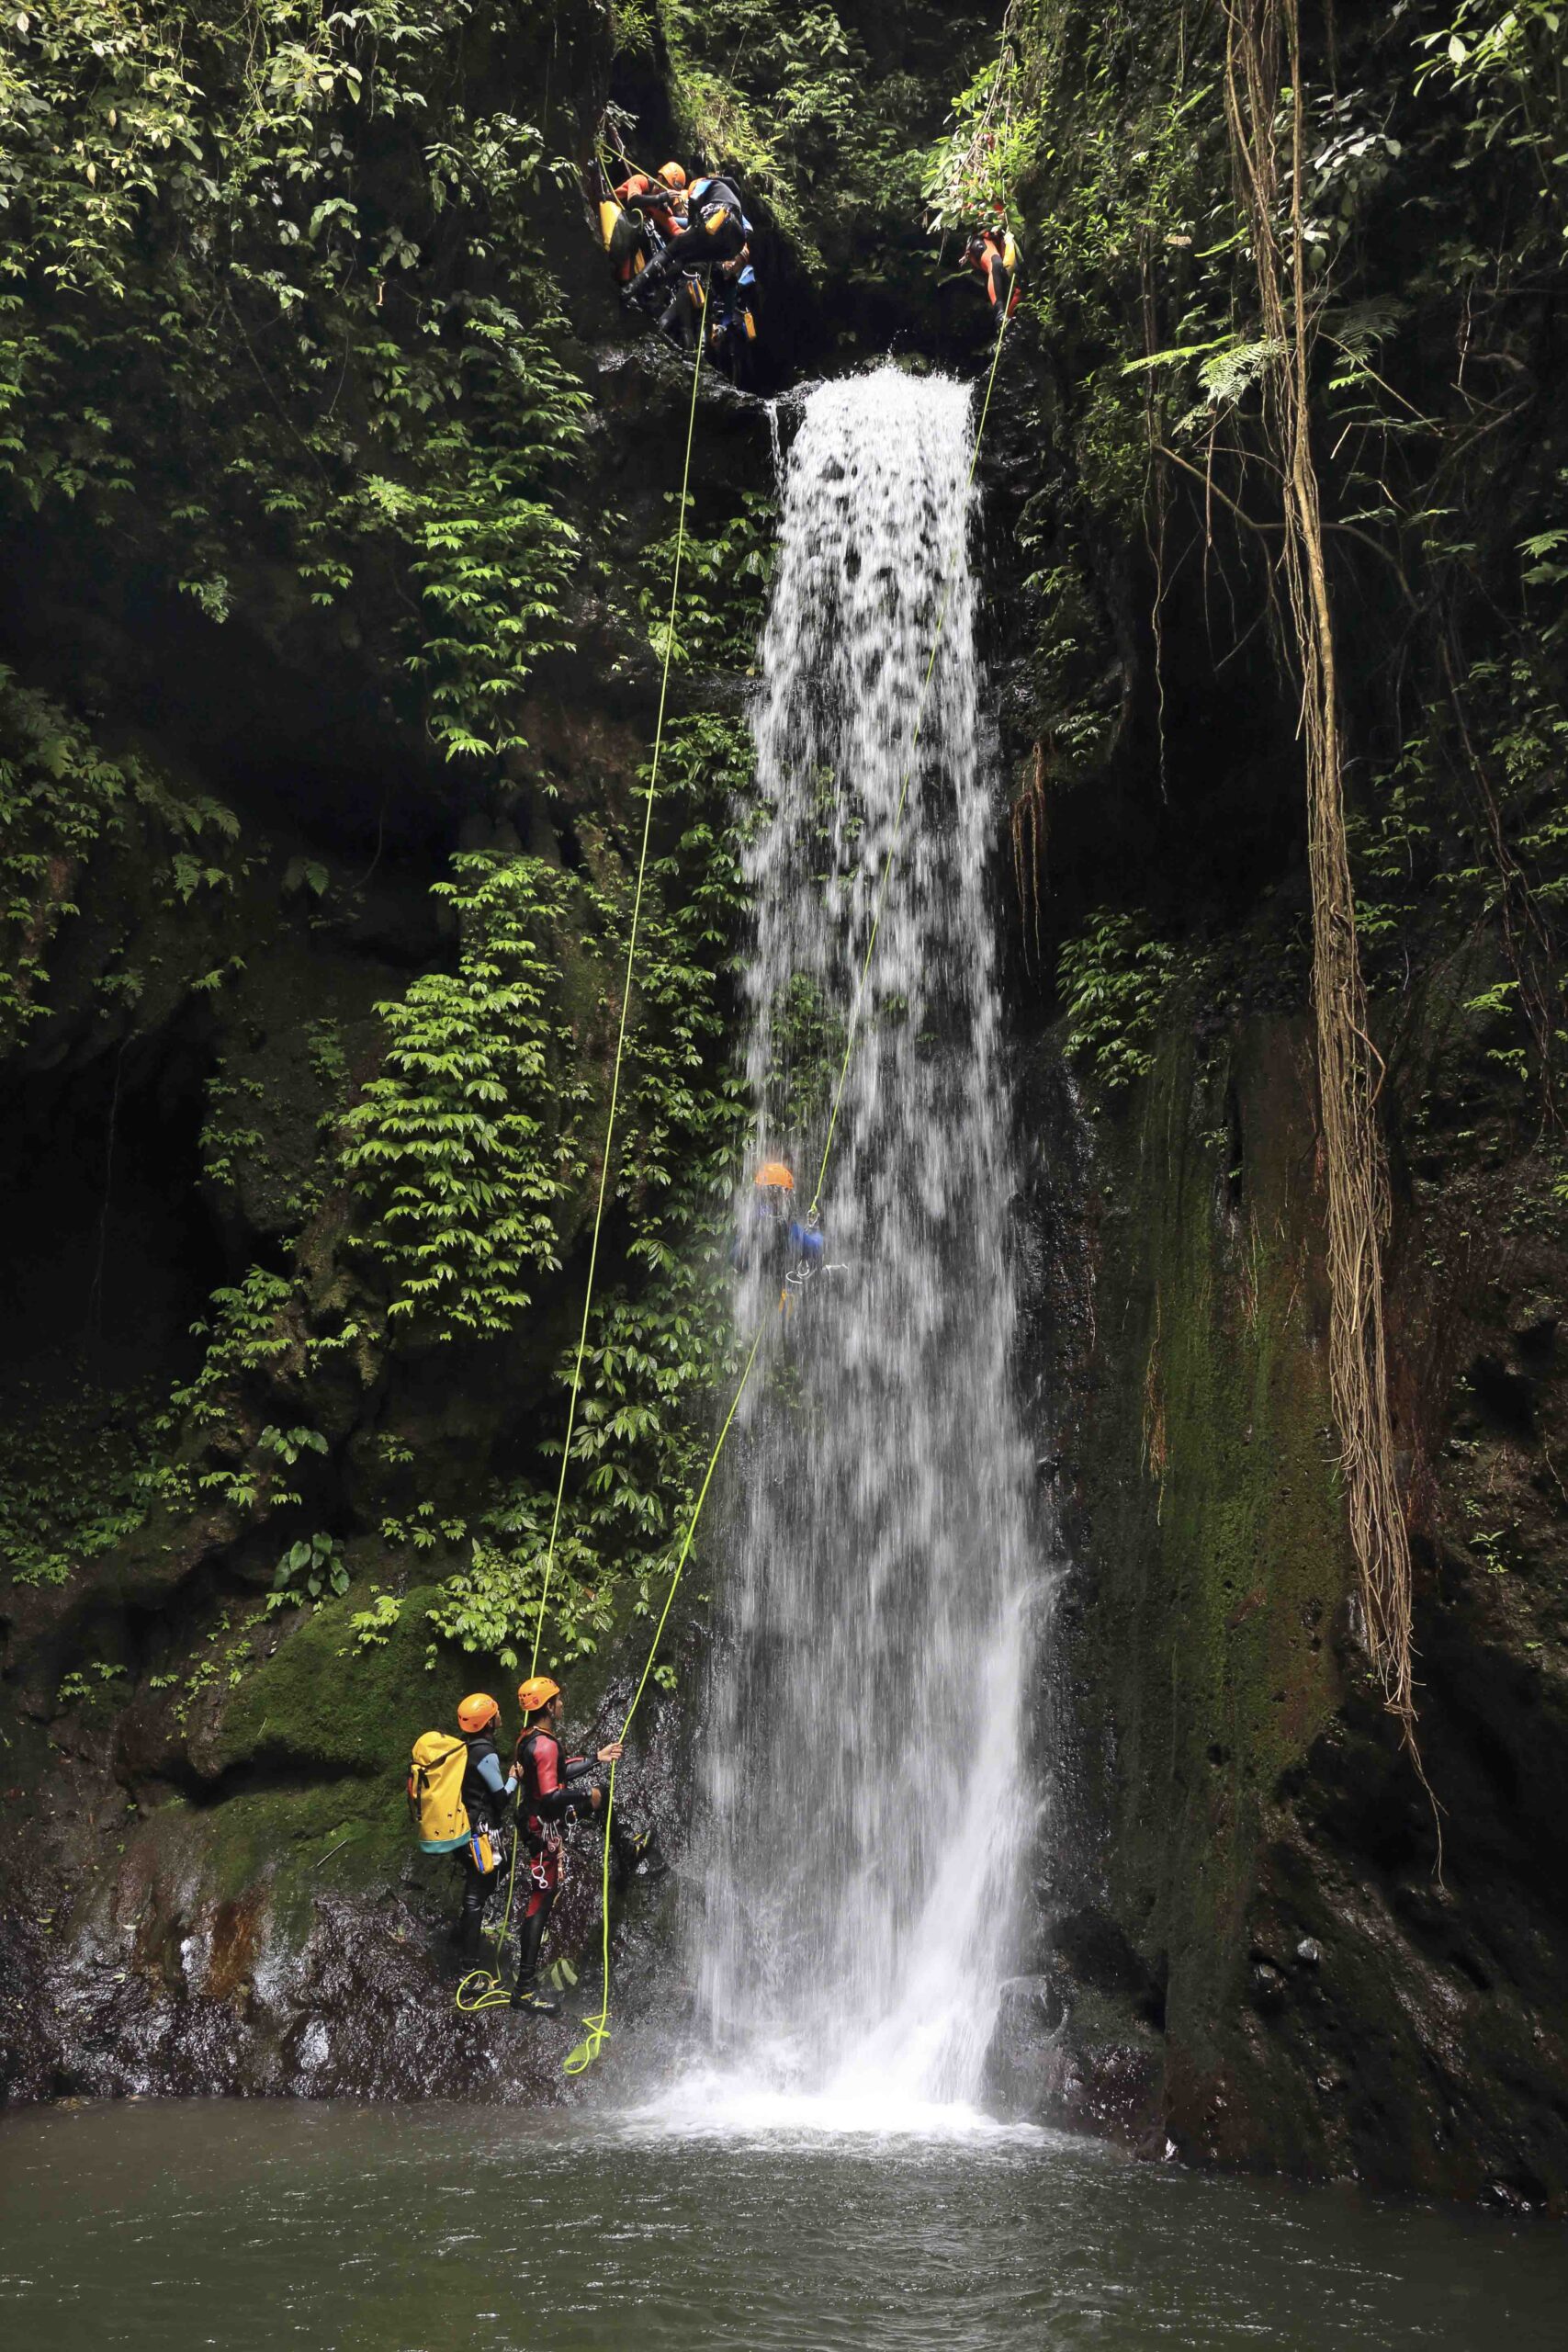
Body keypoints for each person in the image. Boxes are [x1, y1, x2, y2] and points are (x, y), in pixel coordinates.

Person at [509, 1675, 638, 2017]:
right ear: (548, 1706)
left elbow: (556, 1772)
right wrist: (586, 1794)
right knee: (542, 1898)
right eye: (558, 1700)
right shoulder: (545, 1744)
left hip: (536, 1821)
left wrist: (597, 1758)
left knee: (600, 1802)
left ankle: (626, 1851)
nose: (562, 1704)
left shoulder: (530, 1739)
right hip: (543, 1825)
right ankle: (524, 1988)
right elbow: (552, 1795)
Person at [631, 168, 752, 310]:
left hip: (717, 222)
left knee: (670, 252)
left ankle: (632, 288)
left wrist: (666, 216)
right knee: (683, 259)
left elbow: (691, 215)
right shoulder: (731, 199)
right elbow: (748, 229)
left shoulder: (703, 183)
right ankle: (657, 302)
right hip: (731, 246)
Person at [453, 1692, 511, 1959]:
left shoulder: (465, 1748)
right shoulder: (485, 1753)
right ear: (488, 1723)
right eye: (496, 1712)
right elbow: (501, 1799)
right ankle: (469, 1967)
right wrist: (514, 1778)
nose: (500, 1714)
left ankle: (466, 1931)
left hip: (467, 1828)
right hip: (482, 1833)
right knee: (475, 1894)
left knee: (499, 1867)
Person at [733, 1160, 826, 1292]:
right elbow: (814, 1248)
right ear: (785, 1192)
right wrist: (815, 1231)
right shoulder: (785, 1225)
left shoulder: (751, 1219)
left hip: (755, 1286)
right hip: (779, 1287)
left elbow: (735, 1257)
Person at [606, 162, 688, 288]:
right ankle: (625, 281)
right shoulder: (641, 181)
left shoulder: (662, 208)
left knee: (649, 239)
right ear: (660, 179)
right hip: (612, 213)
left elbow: (675, 229)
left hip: (628, 231)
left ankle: (642, 287)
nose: (669, 196)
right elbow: (633, 199)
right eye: (668, 189)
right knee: (638, 228)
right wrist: (660, 197)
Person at [707, 250, 759, 388]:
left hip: (735, 317)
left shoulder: (746, 274)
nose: (735, 262)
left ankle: (736, 383)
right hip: (718, 311)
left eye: (739, 262)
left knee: (736, 347)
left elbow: (741, 292)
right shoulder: (716, 267)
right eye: (735, 258)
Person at [965, 220, 1021, 329]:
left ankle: (1007, 323)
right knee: (995, 263)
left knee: (1020, 285)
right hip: (983, 239)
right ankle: (1000, 315)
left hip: (1004, 238)